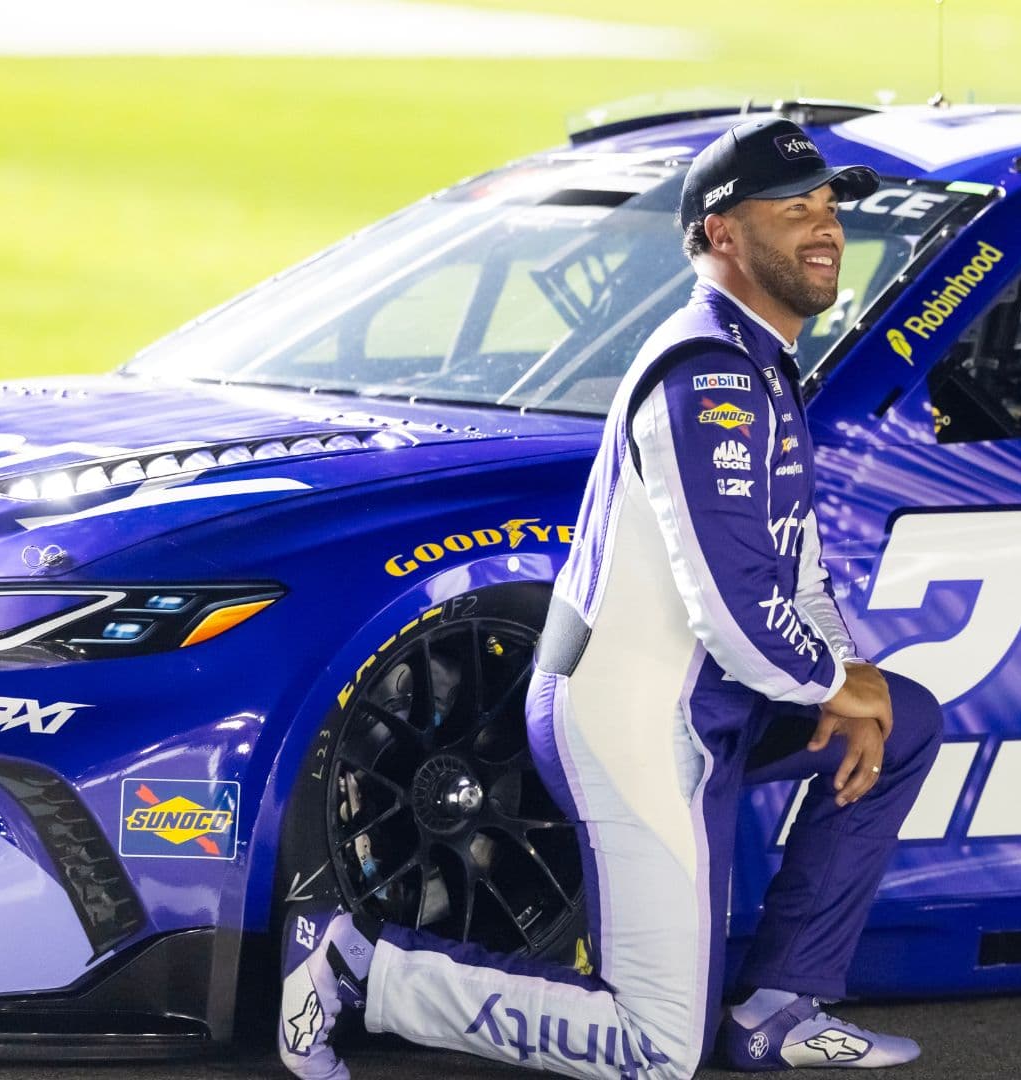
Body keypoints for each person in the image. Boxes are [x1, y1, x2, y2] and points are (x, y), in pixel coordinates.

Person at [278, 117, 945, 1080]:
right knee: (655, 1051)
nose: (825, 228)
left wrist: (854, 688)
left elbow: (798, 576)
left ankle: (781, 1010)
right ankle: (356, 966)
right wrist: (836, 684)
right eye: (793, 209)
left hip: (712, 702)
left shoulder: (761, 365)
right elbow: (731, 600)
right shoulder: (709, 373)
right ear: (722, 235)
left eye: (829, 208)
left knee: (903, 721)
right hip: (633, 719)